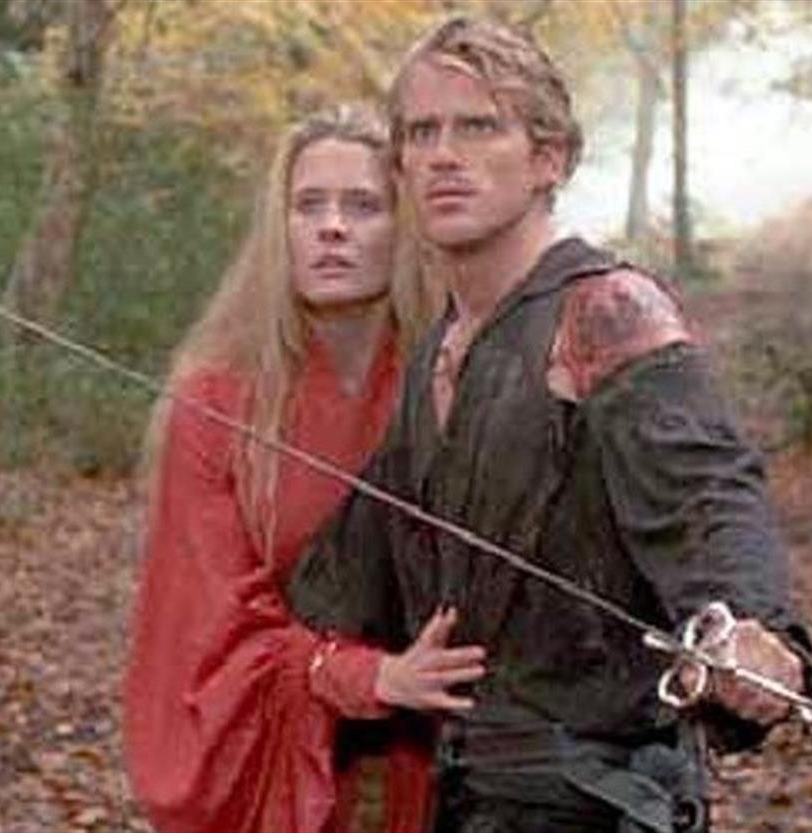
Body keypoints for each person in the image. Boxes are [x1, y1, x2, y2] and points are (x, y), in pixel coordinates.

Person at [288, 18, 812, 833]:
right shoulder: (439, 343)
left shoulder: (609, 309)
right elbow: (347, 578)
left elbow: (708, 491)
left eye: (479, 127)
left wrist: (754, 632)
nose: (444, 155)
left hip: (597, 797)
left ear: (550, 158)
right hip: (472, 792)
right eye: (422, 133)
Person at [123, 104, 487, 833]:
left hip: (448, 756)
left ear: (407, 227)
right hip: (287, 762)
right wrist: (368, 675)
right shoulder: (217, 401)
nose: (332, 228)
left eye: (363, 206)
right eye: (309, 205)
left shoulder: (458, 380)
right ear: (280, 228)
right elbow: (213, 620)